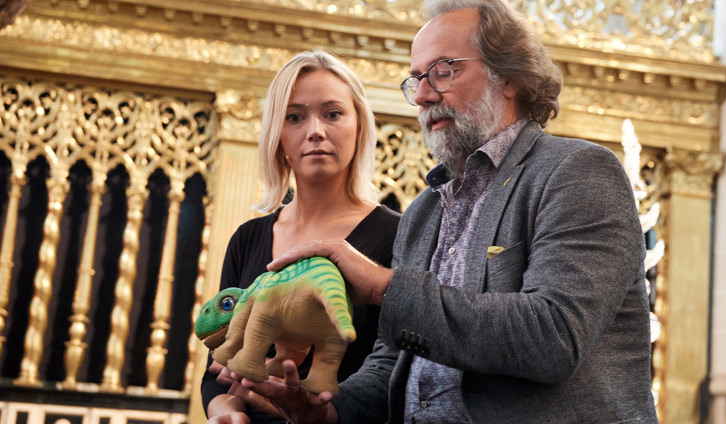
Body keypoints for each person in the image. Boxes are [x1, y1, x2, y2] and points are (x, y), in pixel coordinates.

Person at [244, 0, 659, 423]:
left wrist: (385, 287)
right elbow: (394, 363)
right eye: (415, 80)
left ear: (509, 76)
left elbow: (553, 335)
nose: (422, 95)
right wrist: (329, 413)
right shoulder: (425, 211)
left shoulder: (577, 172)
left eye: (442, 71)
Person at [200, 50, 401, 423]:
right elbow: (219, 363)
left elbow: (397, 373)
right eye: (295, 117)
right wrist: (225, 409)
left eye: (333, 113)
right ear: (277, 136)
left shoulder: (398, 235)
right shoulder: (247, 238)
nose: (315, 131)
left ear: (360, 128)